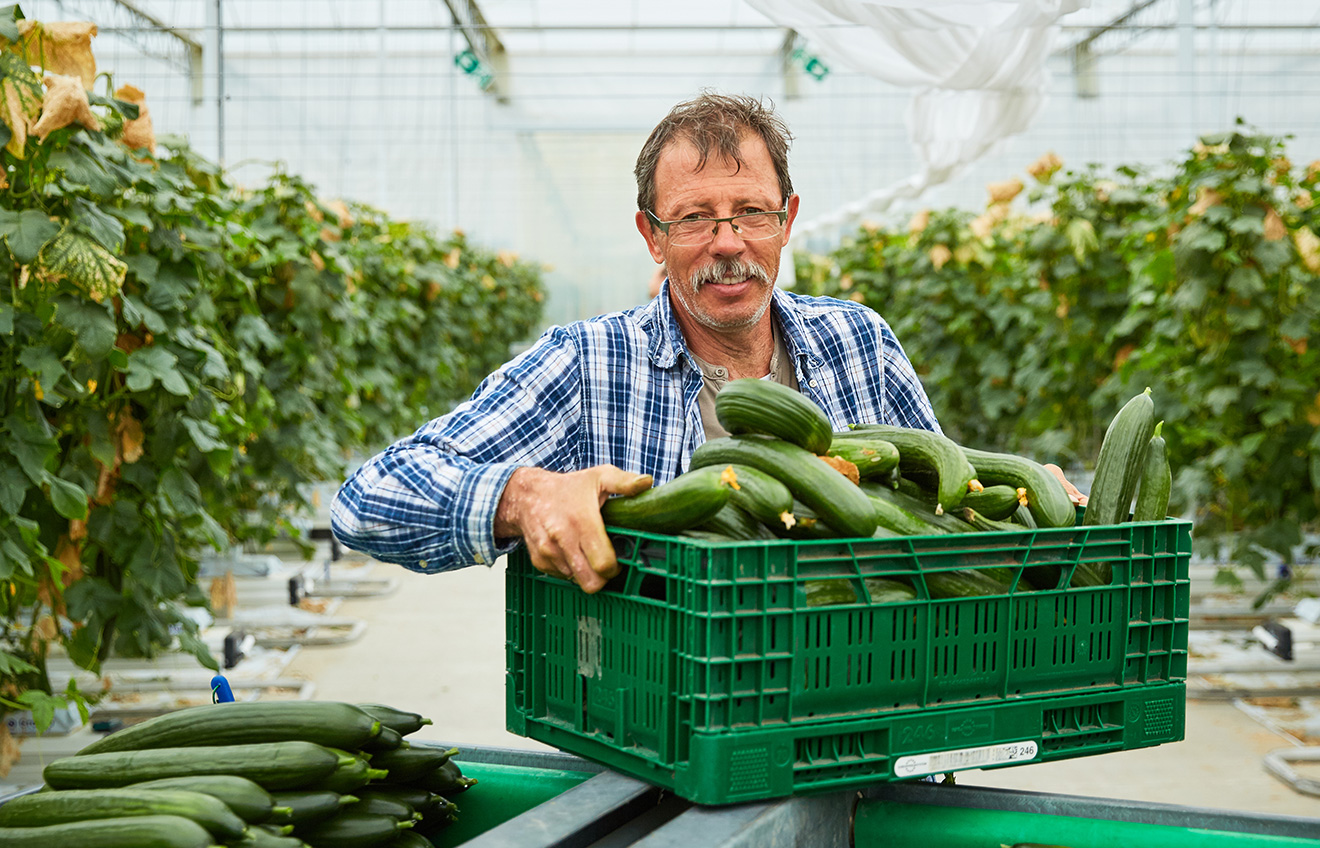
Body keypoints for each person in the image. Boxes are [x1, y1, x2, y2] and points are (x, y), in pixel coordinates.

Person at [331, 92, 1082, 593]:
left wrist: (1016, 498)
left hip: (861, 698)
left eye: (751, 211)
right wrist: (523, 496)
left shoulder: (861, 341)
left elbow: (943, 514)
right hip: (666, 730)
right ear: (650, 237)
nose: (728, 243)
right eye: (693, 219)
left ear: (787, 220)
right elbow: (366, 501)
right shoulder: (585, 365)